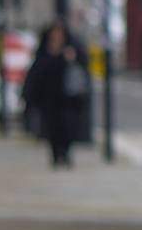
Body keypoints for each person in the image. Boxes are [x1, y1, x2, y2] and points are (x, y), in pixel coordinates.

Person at [21, 21, 91, 168]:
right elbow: (37, 71)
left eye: (59, 32)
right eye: (54, 32)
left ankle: (65, 154)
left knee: (68, 126)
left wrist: (72, 58)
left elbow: (83, 64)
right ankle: (56, 155)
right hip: (49, 97)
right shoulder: (45, 49)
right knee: (52, 128)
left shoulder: (71, 48)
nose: (57, 35)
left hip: (68, 98)